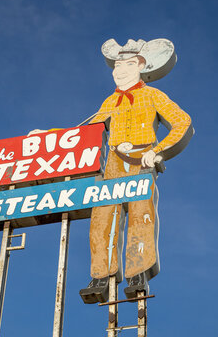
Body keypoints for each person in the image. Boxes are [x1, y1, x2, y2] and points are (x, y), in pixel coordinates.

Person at [78, 38, 194, 304]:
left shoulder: (153, 95)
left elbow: (182, 122)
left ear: (141, 67)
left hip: (142, 159)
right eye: (117, 65)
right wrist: (49, 138)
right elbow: (86, 129)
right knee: (102, 216)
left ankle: (138, 273)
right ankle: (100, 276)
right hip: (113, 162)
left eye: (128, 64)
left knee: (141, 214)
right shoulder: (111, 101)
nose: (120, 70)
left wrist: (158, 150)